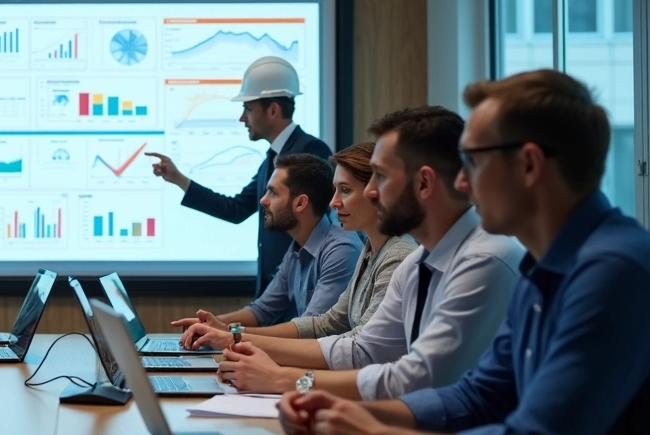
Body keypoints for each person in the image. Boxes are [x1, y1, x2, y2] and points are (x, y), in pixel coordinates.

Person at [279, 70, 650, 435]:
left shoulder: (613, 271)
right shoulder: (544, 264)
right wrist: (348, 413)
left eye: (472, 162)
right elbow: (480, 395)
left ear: (529, 165)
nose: (463, 184)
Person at [214, 106, 523, 400]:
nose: (372, 192)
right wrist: (239, 340)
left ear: (424, 182)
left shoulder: (483, 261)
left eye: (381, 177)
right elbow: (365, 349)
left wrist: (283, 379)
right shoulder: (416, 263)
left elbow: (420, 380)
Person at [176, 142, 416, 348]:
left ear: (376, 192)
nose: (333, 203)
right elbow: (324, 324)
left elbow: (355, 348)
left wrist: (237, 340)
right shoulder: (367, 252)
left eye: (344, 190)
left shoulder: (357, 250)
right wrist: (229, 331)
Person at [147, 56, 332, 293]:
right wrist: (179, 180)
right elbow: (236, 209)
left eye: (248, 108)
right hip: (274, 294)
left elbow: (319, 229)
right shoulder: (272, 159)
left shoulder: (310, 152)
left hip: (301, 295)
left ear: (273, 110)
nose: (242, 117)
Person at [174, 153, 362, 331]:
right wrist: (210, 323)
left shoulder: (341, 250)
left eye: (272, 192)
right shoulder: (297, 248)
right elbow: (262, 311)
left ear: (300, 203)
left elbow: (309, 329)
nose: (263, 200)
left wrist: (229, 332)